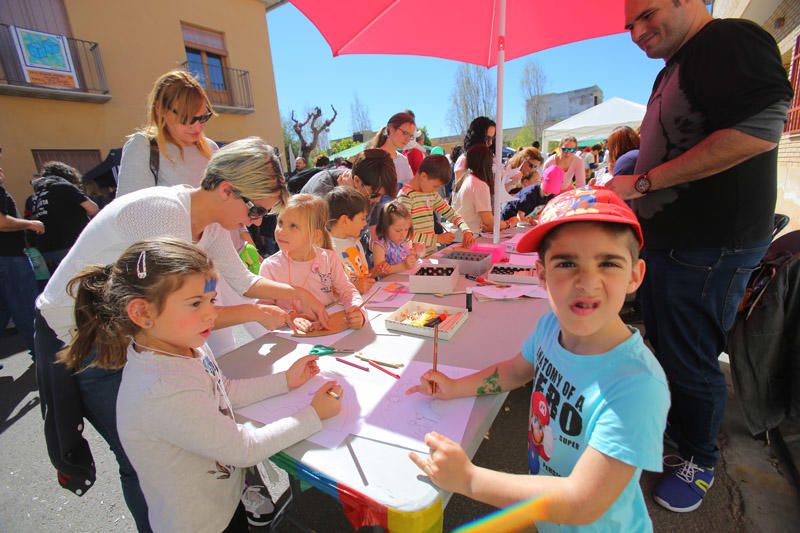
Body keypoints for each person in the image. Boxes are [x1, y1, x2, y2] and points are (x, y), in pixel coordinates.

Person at [34, 137, 328, 531]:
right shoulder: (162, 214)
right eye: (255, 208)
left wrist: (295, 293)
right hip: (85, 331)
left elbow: (239, 281)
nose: (258, 221)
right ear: (226, 189)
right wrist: (259, 311)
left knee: (186, 447)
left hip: (137, 329)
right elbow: (181, 313)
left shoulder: (212, 223)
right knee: (141, 461)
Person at [603, 0, 794, 513]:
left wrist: (643, 182)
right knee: (666, 348)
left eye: (647, 15)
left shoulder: (730, 40)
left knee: (691, 359)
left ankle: (699, 458)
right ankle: (674, 433)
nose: (637, 31)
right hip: (674, 245)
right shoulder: (675, 66)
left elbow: (761, 129)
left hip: (711, 245)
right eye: (629, 25)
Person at [407, 186, 669, 531]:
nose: (587, 281)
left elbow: (581, 502)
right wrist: (455, 387)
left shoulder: (637, 385)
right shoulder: (550, 327)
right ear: (542, 275)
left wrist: (469, 479)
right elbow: (515, 372)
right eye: (566, 263)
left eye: (608, 263)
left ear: (634, 275)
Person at [60, 238, 342, 532]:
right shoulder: (161, 388)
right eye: (196, 303)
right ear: (142, 313)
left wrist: (285, 380)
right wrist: (312, 414)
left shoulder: (188, 345)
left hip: (222, 504)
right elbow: (242, 449)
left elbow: (223, 391)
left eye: (211, 300)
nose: (210, 313)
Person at [260, 194, 365, 333]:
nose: (281, 231)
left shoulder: (329, 258)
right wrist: (290, 316)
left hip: (331, 326)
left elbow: (347, 291)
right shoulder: (270, 267)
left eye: (293, 226)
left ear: (315, 235)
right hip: (291, 336)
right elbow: (264, 307)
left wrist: (357, 310)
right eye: (280, 222)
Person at [116, 70, 218, 196]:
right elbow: (129, 211)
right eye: (185, 118)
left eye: (203, 117)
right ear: (160, 109)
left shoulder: (211, 148)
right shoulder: (144, 147)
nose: (197, 127)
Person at [0, 151, 44, 357]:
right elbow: (2, 222)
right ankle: (41, 354)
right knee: (26, 307)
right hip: (9, 257)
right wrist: (31, 223)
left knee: (4, 309)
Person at [29, 161, 99, 273]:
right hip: (70, 246)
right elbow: (92, 208)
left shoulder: (35, 196)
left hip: (47, 249)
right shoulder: (63, 186)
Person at [398, 155, 475, 254]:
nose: (436, 190)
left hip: (429, 256)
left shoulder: (431, 194)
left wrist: (466, 230)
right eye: (435, 186)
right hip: (411, 260)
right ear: (423, 176)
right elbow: (404, 235)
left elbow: (451, 213)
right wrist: (437, 238)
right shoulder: (405, 197)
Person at [326, 186, 377, 294]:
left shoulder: (355, 242)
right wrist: (354, 287)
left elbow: (360, 276)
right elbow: (326, 290)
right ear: (345, 220)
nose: (364, 224)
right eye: (362, 218)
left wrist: (375, 273)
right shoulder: (327, 250)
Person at [453, 145, 512, 234]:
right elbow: (489, 221)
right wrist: (509, 224)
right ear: (487, 163)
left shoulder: (465, 178)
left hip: (459, 234)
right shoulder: (478, 184)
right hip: (467, 237)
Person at [300, 149, 396, 201]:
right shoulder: (322, 189)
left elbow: (363, 232)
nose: (378, 200)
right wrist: (343, 199)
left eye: (384, 196)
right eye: (374, 195)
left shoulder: (366, 187)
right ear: (357, 180)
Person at [367, 112, 416, 187]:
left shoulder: (403, 160)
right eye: (405, 133)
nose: (408, 139)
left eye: (411, 136)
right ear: (391, 129)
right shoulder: (371, 158)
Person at [372, 201, 419, 275]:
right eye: (398, 230)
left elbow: (410, 261)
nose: (403, 234)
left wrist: (416, 254)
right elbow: (380, 272)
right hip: (389, 284)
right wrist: (403, 266)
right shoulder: (380, 246)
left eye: (406, 229)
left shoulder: (405, 241)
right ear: (385, 227)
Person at [453, 117, 496, 186]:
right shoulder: (463, 160)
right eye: (487, 138)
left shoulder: (490, 158)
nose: (491, 142)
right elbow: (459, 191)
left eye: (493, 138)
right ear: (477, 137)